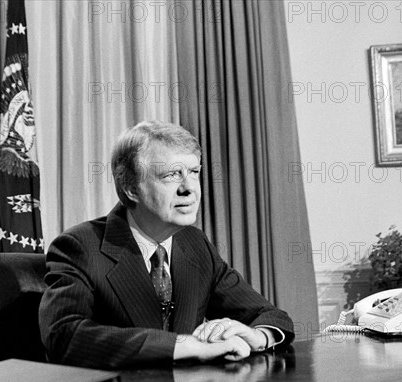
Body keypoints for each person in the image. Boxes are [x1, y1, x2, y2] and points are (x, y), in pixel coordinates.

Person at [38, 121, 295, 369]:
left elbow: (271, 316)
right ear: (131, 188)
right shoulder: (80, 246)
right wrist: (185, 346)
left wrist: (258, 336)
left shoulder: (195, 244)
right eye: (172, 175)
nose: (189, 189)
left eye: (194, 172)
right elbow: (64, 336)